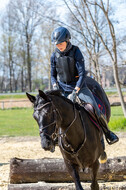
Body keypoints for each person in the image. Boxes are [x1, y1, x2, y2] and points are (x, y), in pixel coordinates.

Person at [50, 26, 119, 145]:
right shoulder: (54, 56)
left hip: (79, 87)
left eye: (60, 43)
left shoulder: (76, 52)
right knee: (52, 111)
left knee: (93, 108)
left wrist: (75, 91)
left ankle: (107, 133)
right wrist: (55, 85)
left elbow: (82, 74)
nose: (58, 46)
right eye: (56, 44)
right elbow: (52, 75)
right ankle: (54, 138)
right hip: (62, 88)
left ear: (67, 40)